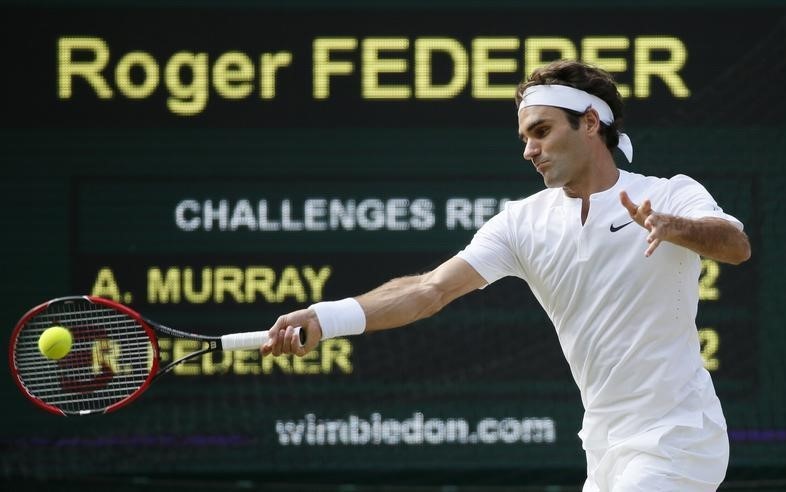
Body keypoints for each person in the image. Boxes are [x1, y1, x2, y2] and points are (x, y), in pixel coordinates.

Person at [260, 60, 751, 491]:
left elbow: (735, 245)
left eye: (541, 131)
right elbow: (429, 290)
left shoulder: (669, 194)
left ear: (590, 122)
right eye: (525, 138)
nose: (529, 150)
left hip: (678, 436)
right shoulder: (520, 223)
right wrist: (327, 318)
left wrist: (674, 227)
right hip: (604, 447)